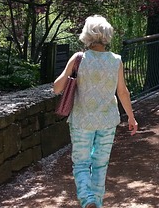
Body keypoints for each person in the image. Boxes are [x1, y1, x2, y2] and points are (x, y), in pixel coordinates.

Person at [54, 15, 138, 208]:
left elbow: (57, 88)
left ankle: (88, 200)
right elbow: (123, 92)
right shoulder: (116, 60)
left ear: (87, 35)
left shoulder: (78, 58)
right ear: (107, 36)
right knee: (100, 166)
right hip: (108, 121)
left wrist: (68, 74)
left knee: (81, 164)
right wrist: (131, 117)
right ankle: (97, 204)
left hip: (82, 120)